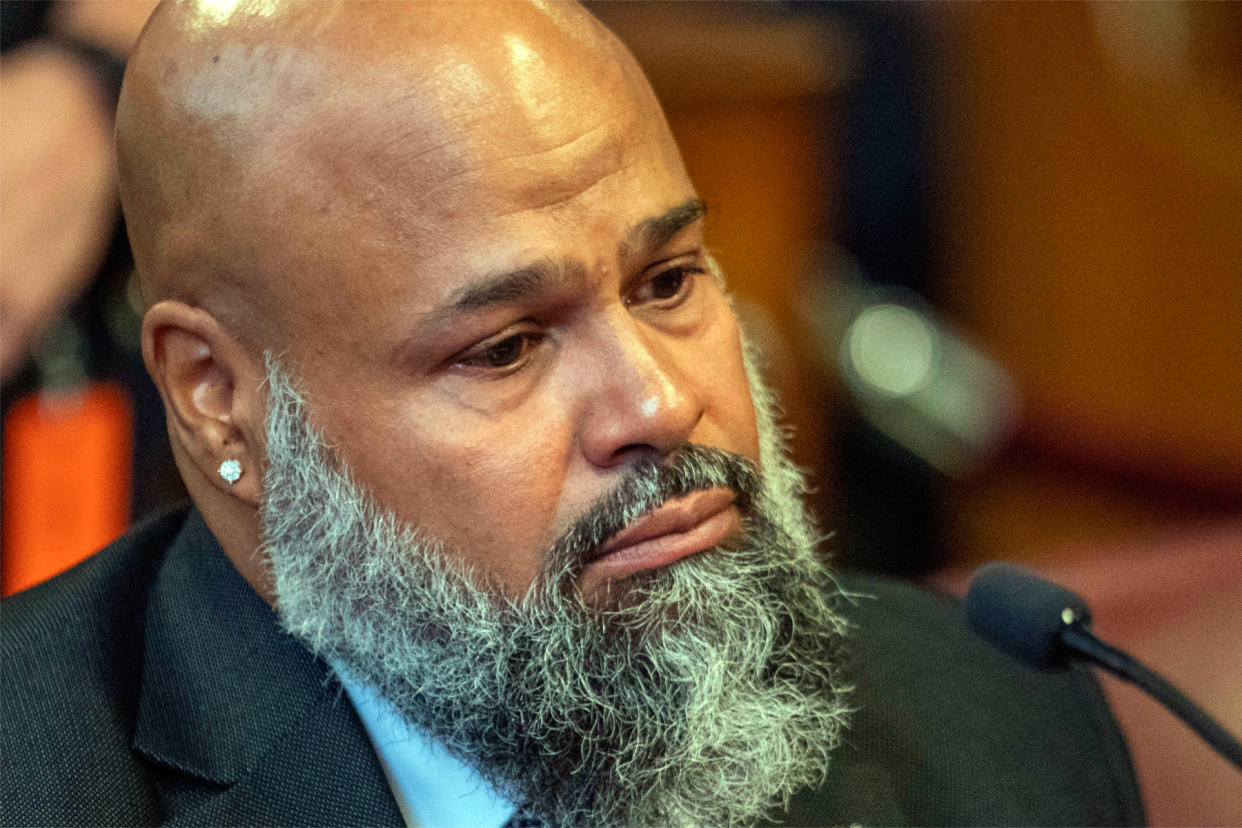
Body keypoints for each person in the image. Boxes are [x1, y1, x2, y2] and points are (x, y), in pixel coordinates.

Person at [1, 2, 1144, 826]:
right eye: (503, 348)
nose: (659, 399)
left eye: (670, 282)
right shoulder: (42, 772)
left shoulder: (996, 717)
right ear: (218, 398)